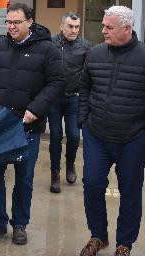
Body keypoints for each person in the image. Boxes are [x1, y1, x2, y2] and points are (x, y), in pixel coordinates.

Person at [77, 6, 145, 256]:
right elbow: (84, 87)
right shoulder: (95, 54)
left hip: (133, 138)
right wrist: (83, 120)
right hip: (96, 135)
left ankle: (124, 243)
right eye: (103, 26)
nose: (103, 31)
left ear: (126, 29)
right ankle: (98, 236)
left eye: (109, 27)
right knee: (92, 184)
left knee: (130, 191)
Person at [0, 2, 65, 246]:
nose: (11, 26)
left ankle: (20, 225)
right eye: (8, 22)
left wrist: (35, 110)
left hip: (28, 127)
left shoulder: (47, 50)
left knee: (24, 179)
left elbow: (57, 82)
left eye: (16, 22)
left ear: (30, 22)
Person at [49, 12, 91, 194]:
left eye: (77, 27)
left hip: (75, 98)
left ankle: (70, 163)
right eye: (70, 26)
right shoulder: (51, 44)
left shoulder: (86, 46)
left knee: (74, 136)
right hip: (54, 99)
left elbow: (90, 73)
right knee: (55, 136)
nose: (74, 30)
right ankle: (55, 174)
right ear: (61, 27)